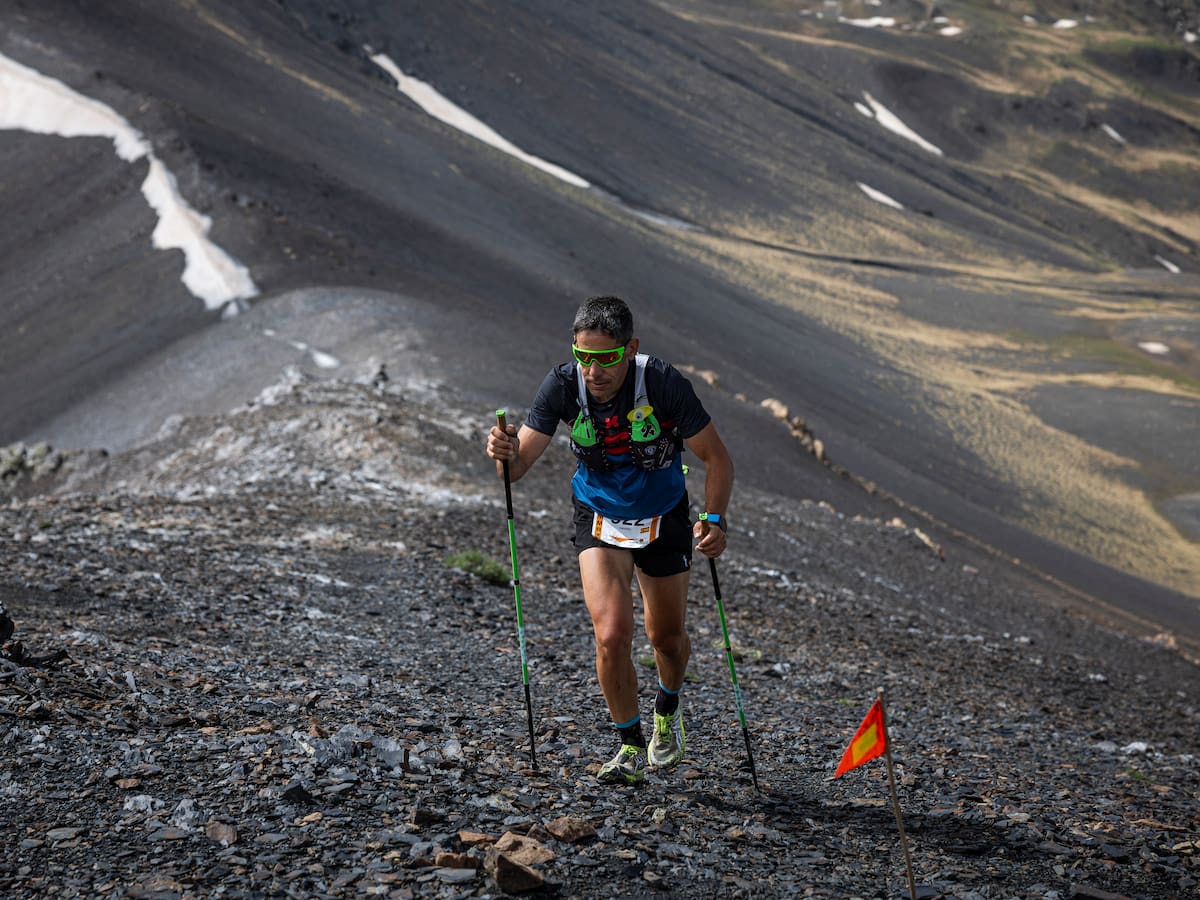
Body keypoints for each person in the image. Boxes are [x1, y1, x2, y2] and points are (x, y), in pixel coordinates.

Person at [486, 296, 734, 785]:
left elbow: (718, 459)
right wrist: (501, 451)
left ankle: (668, 708)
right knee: (611, 634)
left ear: (630, 348)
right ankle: (629, 746)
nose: (594, 371)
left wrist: (715, 519)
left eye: (606, 358)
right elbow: (516, 468)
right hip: (598, 516)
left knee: (665, 636)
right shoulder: (561, 384)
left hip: (663, 515)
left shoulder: (662, 383)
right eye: (585, 357)